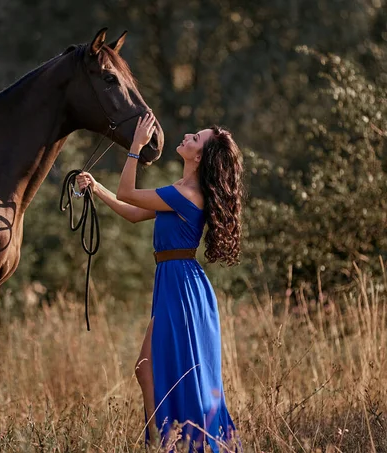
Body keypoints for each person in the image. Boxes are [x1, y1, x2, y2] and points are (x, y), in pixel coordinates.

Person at [77, 113, 243, 452]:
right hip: (176, 282)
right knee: (148, 370)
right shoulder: (179, 192)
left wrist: (136, 147)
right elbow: (134, 211)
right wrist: (96, 188)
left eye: (195, 138)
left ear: (199, 156)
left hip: (181, 286)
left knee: (157, 372)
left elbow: (129, 191)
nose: (186, 136)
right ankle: (164, 443)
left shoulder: (186, 194)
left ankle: (167, 443)